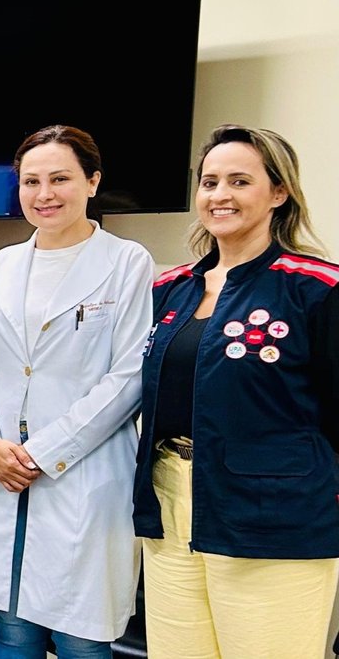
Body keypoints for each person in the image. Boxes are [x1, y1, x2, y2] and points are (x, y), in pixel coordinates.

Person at [134, 125, 339, 658]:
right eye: (210, 182)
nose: (219, 195)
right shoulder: (170, 288)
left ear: (279, 192)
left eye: (240, 181)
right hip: (170, 507)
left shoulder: (315, 288)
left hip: (273, 519)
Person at [0, 125, 152, 658]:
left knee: (81, 639)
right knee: (12, 630)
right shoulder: (4, 263)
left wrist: (42, 453)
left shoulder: (127, 262)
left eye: (60, 179)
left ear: (93, 182)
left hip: (81, 472)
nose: (44, 194)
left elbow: (130, 375)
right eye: (31, 181)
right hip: (2, 469)